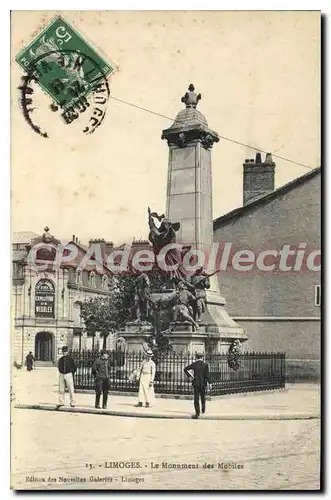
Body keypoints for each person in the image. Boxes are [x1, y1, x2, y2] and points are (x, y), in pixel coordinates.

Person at [184, 353, 211, 419]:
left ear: (196, 357)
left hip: (196, 383)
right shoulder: (205, 365)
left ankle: (197, 412)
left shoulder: (194, 364)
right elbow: (207, 375)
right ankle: (203, 409)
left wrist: (190, 376)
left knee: (196, 398)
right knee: (203, 396)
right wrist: (209, 383)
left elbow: (185, 369)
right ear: (202, 357)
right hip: (203, 383)